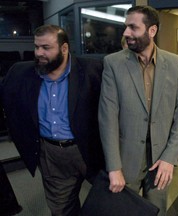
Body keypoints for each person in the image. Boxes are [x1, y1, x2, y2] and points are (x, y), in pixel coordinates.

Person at [1, 24, 104, 216]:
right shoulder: (20, 73)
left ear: (64, 48)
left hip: (91, 149)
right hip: (51, 154)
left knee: (109, 202)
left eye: (46, 48)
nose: (39, 53)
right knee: (62, 209)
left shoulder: (93, 70)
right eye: (36, 46)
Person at [98, 5, 178, 216]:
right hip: (126, 158)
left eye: (133, 27)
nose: (126, 33)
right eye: (125, 27)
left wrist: (170, 157)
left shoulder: (177, 65)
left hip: (161, 157)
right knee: (124, 211)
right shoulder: (113, 64)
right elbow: (107, 118)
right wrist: (114, 167)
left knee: (156, 210)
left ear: (152, 30)